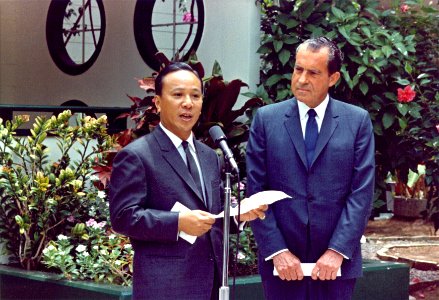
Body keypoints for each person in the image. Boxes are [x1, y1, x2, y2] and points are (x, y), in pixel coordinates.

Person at [109, 62, 267, 300]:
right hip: (165, 287)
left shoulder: (209, 157)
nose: (188, 103)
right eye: (178, 95)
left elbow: (208, 219)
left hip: (211, 284)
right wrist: (178, 222)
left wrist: (236, 217)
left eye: (195, 96)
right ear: (158, 102)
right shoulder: (137, 155)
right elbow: (123, 217)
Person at [246, 37, 375, 300]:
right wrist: (277, 251)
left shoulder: (357, 121)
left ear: (333, 78)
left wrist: (337, 251)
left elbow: (361, 192)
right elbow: (255, 192)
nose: (302, 79)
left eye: (313, 72)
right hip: (281, 266)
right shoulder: (266, 120)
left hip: (336, 267)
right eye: (298, 69)